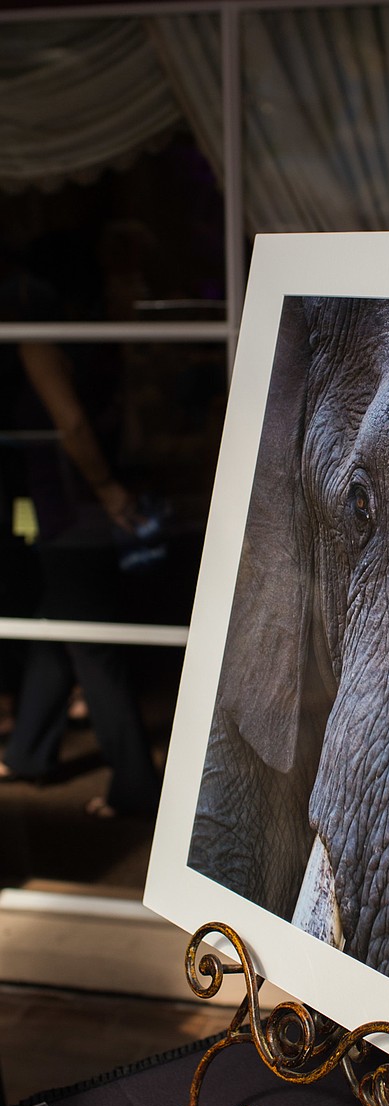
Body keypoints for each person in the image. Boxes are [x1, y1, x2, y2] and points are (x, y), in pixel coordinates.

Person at [0, 246, 160, 818]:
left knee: (93, 648)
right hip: (75, 511)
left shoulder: (42, 337)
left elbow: (68, 422)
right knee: (56, 624)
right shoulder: (95, 336)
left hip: (70, 511)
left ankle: (137, 787)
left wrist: (108, 489)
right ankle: (28, 753)